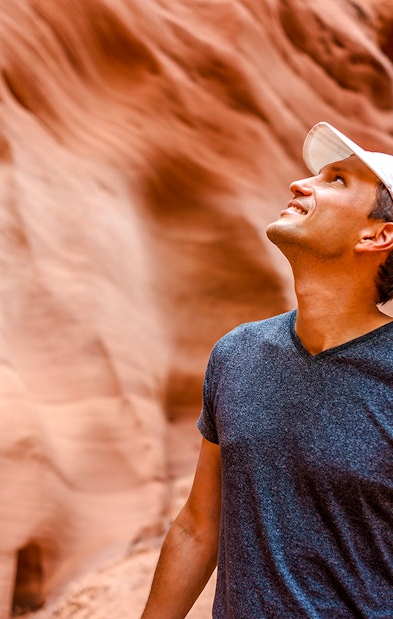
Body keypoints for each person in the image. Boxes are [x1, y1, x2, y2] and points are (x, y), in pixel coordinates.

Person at [141, 121, 393, 618]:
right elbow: (199, 525)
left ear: (379, 234)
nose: (301, 184)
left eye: (336, 181)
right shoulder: (237, 354)